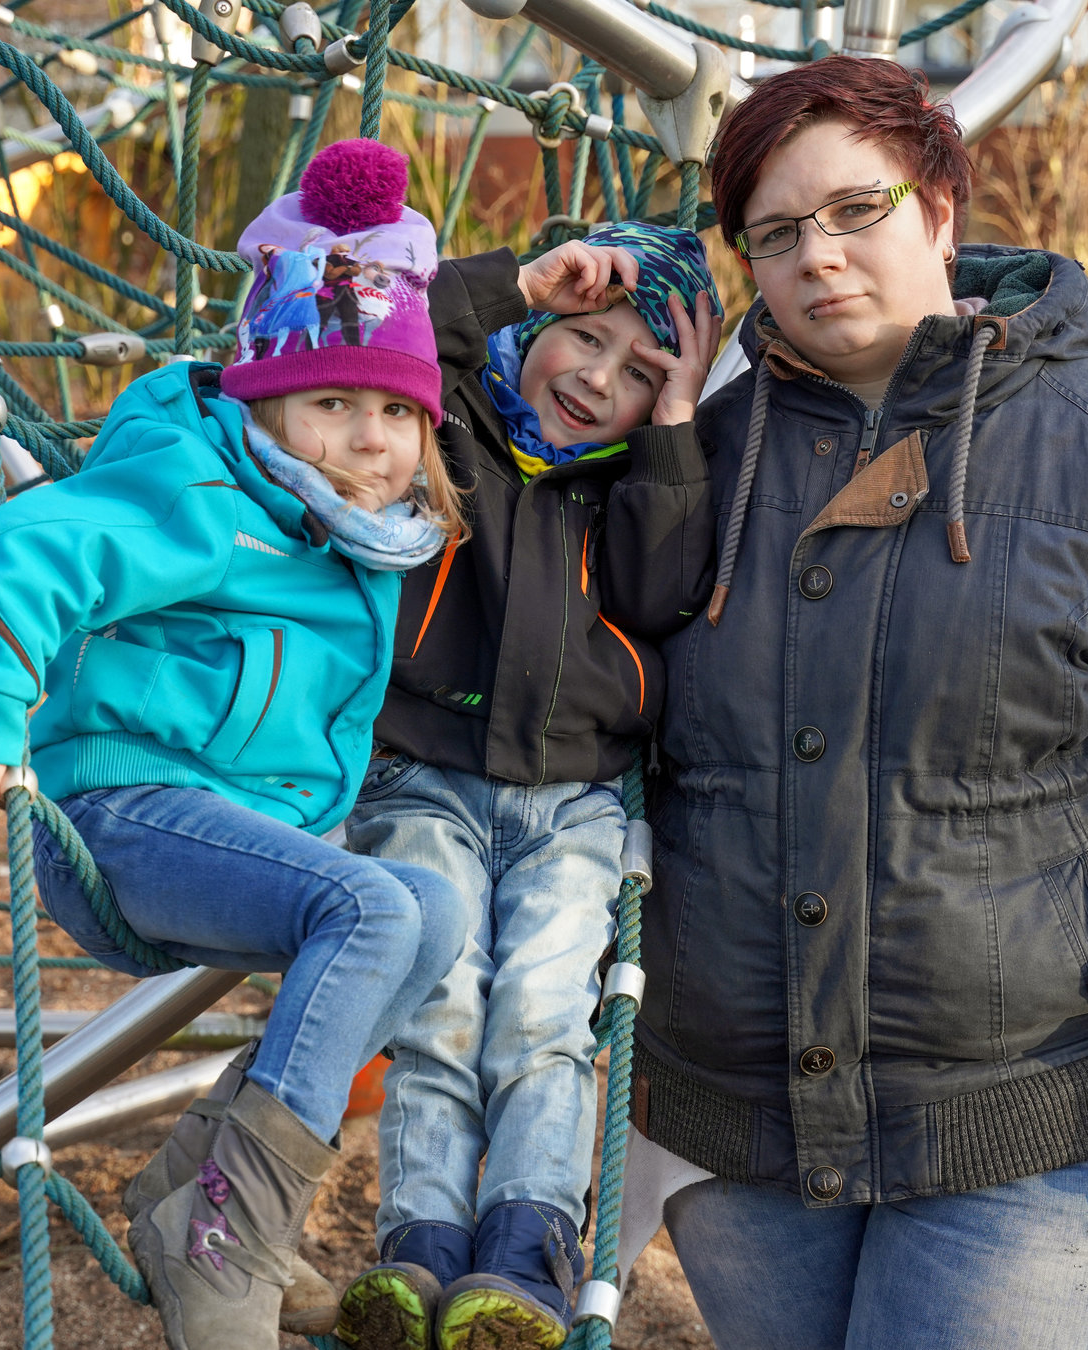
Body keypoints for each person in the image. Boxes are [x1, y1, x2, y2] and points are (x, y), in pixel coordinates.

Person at [636, 56, 1088, 1348]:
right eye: (778, 233)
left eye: (857, 210)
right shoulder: (693, 457)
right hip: (741, 1120)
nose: (820, 257)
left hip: (1033, 1113)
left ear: (942, 208)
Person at [0, 139, 472, 1350]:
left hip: (231, 835)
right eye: (332, 404)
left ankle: (204, 1205)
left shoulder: (353, 532)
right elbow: (32, 549)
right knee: (375, 909)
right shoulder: (205, 488)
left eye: (392, 412)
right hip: (120, 817)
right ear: (264, 402)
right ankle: (233, 1237)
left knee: (433, 906)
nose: (370, 441)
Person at [333, 222, 721, 1350]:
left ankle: (527, 1252)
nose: (600, 382)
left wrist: (679, 427)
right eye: (585, 340)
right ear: (541, 324)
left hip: (576, 803)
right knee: (439, 1011)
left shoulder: (635, 486)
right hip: (424, 784)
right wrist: (517, 284)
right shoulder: (448, 426)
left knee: (547, 1018)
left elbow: (661, 595)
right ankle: (416, 1249)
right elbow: (395, 335)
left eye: (644, 374)